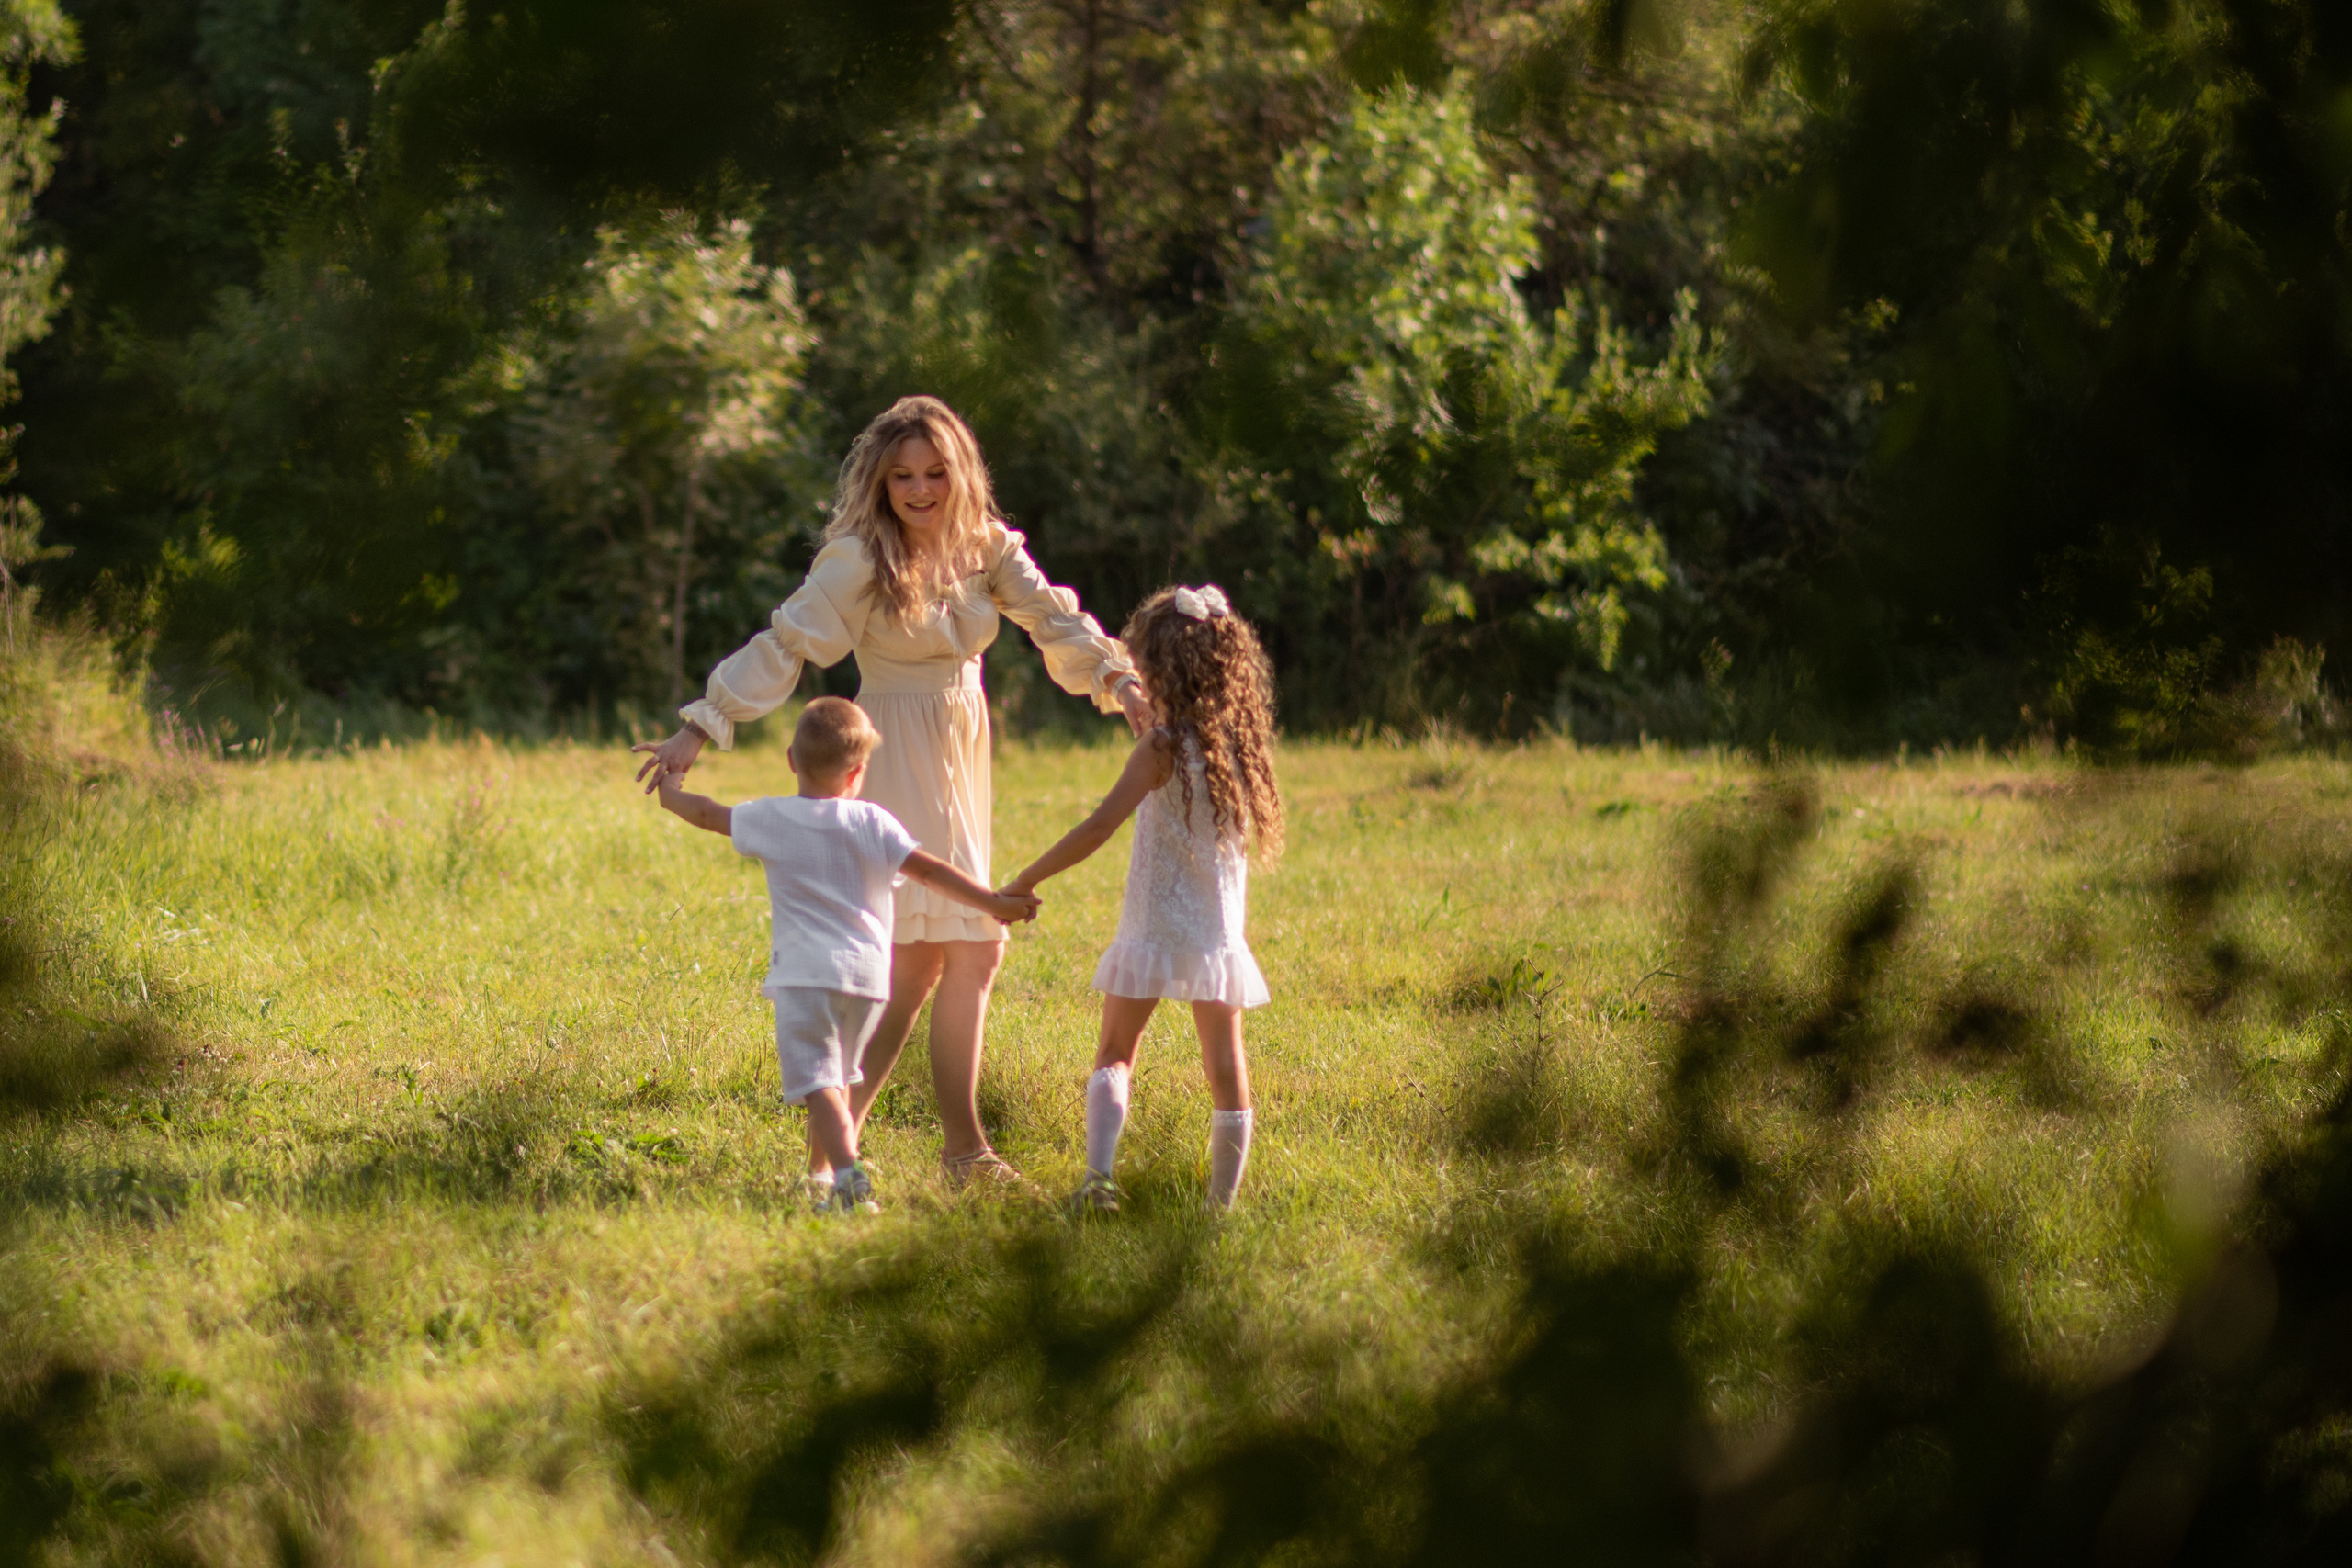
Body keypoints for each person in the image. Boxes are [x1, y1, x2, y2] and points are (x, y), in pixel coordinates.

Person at [633, 396, 1148, 1190]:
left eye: (935, 473)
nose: (919, 490)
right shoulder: (858, 558)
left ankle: (836, 1158)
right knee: (959, 949)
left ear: (960, 473)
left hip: (961, 746)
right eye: (902, 476)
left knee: (922, 967)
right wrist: (702, 724)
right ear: (880, 481)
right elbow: (786, 644)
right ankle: (960, 1152)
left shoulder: (985, 547)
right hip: (896, 749)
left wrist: (1120, 679)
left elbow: (1054, 618)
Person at [652, 697, 1038, 1213]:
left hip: (806, 978)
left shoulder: (773, 817)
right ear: (858, 773)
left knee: (819, 1084)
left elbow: (707, 814)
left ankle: (848, 1178)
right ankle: (824, 1175)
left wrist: (671, 793)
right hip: (869, 981)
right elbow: (930, 872)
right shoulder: (874, 821)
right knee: (837, 1080)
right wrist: (993, 903)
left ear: (791, 759)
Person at [1001, 585, 1283, 1213]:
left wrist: (1026, 878)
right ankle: (1220, 1208)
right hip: (1214, 932)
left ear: (1160, 670)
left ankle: (1098, 1180)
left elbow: (1097, 827)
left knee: (1114, 1053)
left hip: (1152, 922)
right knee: (1226, 1070)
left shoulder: (1160, 748)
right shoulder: (1238, 749)